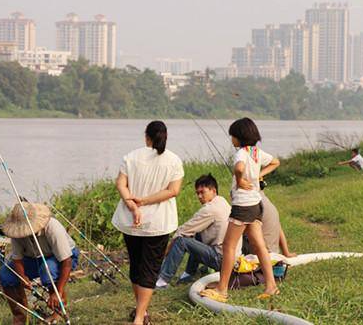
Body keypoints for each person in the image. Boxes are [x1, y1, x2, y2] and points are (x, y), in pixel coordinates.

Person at [200, 118, 280, 302]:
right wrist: (258, 175)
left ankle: (222, 290)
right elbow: (276, 162)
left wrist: (240, 178)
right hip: (256, 204)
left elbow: (239, 167)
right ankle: (271, 285)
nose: (231, 139)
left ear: (239, 137)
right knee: (259, 246)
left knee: (228, 246)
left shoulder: (241, 153)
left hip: (243, 207)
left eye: (232, 136)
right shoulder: (256, 152)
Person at [112, 121, 184, 325]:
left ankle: (141, 312)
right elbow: (173, 191)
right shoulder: (174, 161)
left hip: (130, 222)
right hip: (157, 224)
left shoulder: (131, 157)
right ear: (165, 137)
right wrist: (143, 202)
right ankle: (139, 317)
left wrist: (134, 206)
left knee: (136, 265)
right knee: (150, 268)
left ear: (147, 137)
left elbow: (120, 183)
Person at [0, 202, 79, 325]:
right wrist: (23, 277)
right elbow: (17, 259)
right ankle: (20, 316)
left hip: (61, 257)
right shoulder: (16, 232)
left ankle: (57, 309)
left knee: (47, 270)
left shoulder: (52, 227)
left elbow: (66, 261)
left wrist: (59, 291)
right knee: (5, 274)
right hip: (33, 258)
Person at [155, 174, 235, 289]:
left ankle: (162, 281)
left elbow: (182, 231)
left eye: (202, 192)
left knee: (181, 241)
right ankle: (188, 274)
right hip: (231, 258)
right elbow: (191, 230)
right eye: (197, 193)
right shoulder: (222, 201)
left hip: (221, 259)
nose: (199, 196)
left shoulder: (210, 209)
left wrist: (165, 252)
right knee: (195, 234)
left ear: (213, 190)